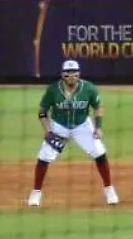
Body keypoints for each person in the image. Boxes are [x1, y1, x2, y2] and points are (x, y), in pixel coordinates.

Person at [30, 59, 117, 207]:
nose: (71, 76)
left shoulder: (89, 88)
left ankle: (109, 190)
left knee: (99, 152)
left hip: (82, 126)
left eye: (74, 72)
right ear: (62, 75)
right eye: (68, 73)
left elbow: (98, 107)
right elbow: (42, 112)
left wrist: (98, 127)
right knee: (44, 157)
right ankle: (36, 193)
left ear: (79, 74)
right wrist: (48, 131)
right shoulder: (53, 90)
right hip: (59, 126)